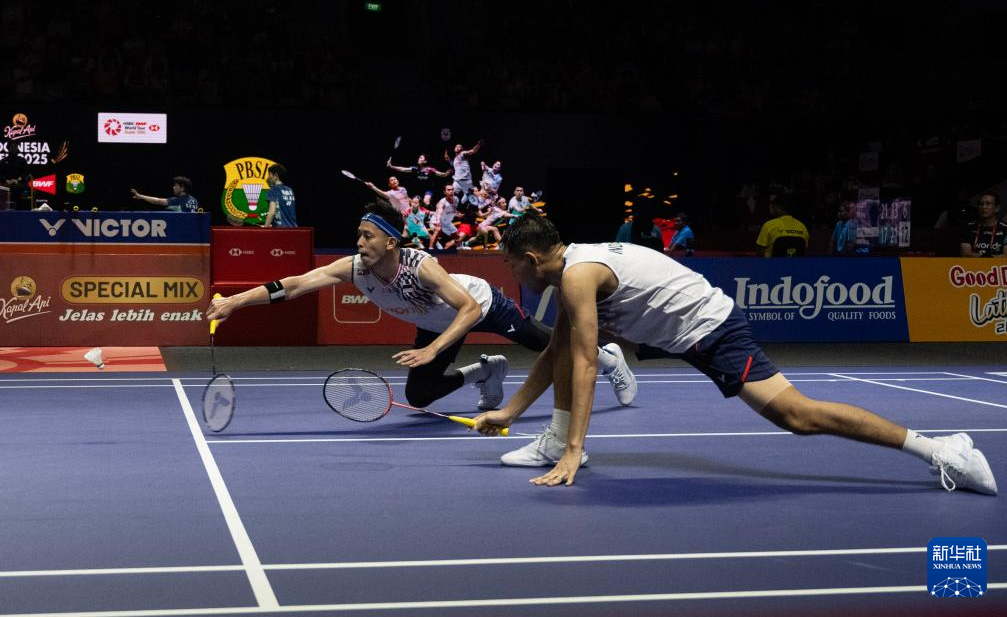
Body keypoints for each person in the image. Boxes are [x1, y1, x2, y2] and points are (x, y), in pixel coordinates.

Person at [473, 212, 997, 496]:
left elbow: (587, 364)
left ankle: (941, 450)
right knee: (567, 347)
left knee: (798, 416)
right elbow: (558, 353)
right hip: (673, 333)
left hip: (711, 330)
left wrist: (576, 451)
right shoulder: (571, 269)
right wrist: (511, 412)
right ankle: (554, 439)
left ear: (532, 259)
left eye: (509, 263)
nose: (508, 272)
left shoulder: (577, 277)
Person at [206, 200, 636, 412]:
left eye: (367, 236)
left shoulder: (421, 267)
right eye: (358, 235)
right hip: (436, 323)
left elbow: (468, 310)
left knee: (551, 346)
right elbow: (296, 284)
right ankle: (485, 371)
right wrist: (236, 302)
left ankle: (609, 359)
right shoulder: (353, 268)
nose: (359, 242)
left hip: (482, 305)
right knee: (420, 395)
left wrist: (432, 349)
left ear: (391, 242)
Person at [960, 191, 1006, 258]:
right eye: (981, 204)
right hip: (973, 264)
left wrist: (984, 258)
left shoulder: (1005, 229)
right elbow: (965, 254)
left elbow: (1005, 256)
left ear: (997, 208)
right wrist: (988, 258)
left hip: (997, 265)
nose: (983, 207)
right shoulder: (968, 227)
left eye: (988, 204)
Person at [130, 176, 199, 212]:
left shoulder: (178, 200)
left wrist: (140, 196)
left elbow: (158, 201)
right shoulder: (194, 200)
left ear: (182, 188)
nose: (173, 187)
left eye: (176, 185)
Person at [263, 163, 297, 227]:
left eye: (269, 174)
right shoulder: (290, 190)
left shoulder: (273, 190)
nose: (268, 177)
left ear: (275, 176)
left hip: (281, 230)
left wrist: (265, 228)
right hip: (294, 228)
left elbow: (272, 212)